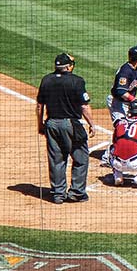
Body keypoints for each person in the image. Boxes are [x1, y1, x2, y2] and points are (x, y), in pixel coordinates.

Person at [36, 52, 96, 204]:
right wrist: (92, 124)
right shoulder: (77, 81)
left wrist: (40, 124)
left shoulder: (46, 80)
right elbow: (84, 106)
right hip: (71, 124)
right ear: (68, 67)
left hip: (51, 124)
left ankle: (58, 194)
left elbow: (39, 106)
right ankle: (76, 193)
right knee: (81, 157)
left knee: (56, 159)